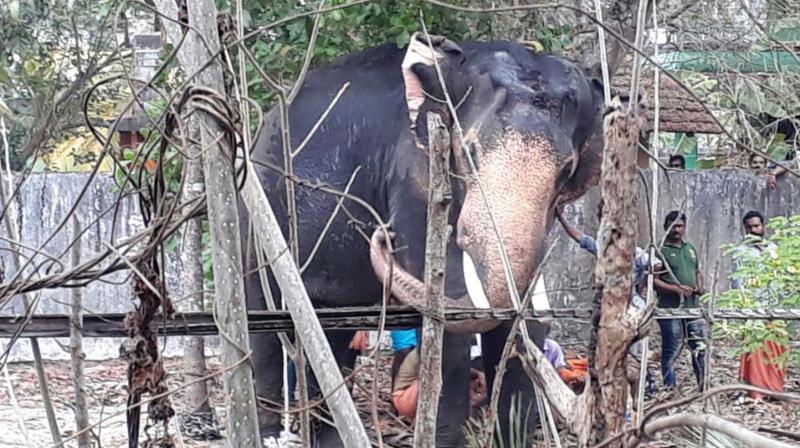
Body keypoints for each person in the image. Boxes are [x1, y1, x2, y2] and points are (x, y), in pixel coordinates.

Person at [555, 207, 656, 397]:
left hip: (631, 306)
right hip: (609, 306)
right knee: (606, 347)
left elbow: (655, 266)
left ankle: (644, 385)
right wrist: (561, 218)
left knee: (636, 349)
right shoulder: (603, 249)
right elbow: (580, 238)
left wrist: (640, 282)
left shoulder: (637, 253)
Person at [731, 211, 787, 399]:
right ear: (745, 229)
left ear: (763, 226)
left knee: (777, 348)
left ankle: (775, 390)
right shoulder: (740, 252)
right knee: (755, 352)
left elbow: (781, 278)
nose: (754, 230)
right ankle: (757, 391)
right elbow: (738, 282)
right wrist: (745, 310)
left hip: (775, 310)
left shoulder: (773, 249)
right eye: (750, 227)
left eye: (757, 226)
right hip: (753, 310)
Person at [653, 211, 707, 391]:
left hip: (692, 308)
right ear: (665, 227)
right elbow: (653, 280)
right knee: (671, 350)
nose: (677, 230)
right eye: (673, 226)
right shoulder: (659, 250)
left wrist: (699, 286)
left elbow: (697, 271)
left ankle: (703, 388)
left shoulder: (690, 248)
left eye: (680, 226)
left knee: (699, 346)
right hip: (669, 309)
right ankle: (670, 389)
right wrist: (676, 289)